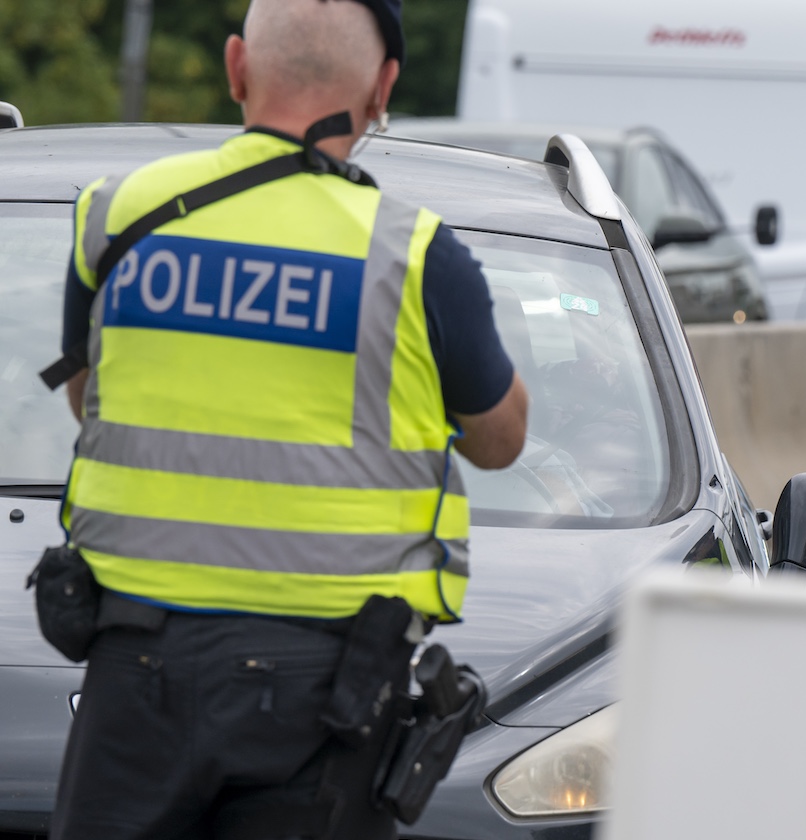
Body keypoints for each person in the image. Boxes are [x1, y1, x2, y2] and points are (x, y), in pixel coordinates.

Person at [48, 0, 528, 836]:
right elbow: (500, 439)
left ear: (236, 66)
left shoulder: (117, 214)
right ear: (383, 92)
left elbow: (90, 398)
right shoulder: (413, 256)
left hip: (135, 666)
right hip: (322, 696)